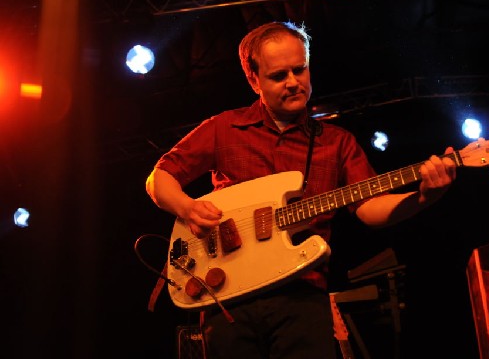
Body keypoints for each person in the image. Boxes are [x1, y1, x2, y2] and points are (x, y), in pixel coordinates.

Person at [145, 20, 457, 359]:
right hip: (229, 298)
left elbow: (370, 208)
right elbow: (159, 178)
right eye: (279, 76)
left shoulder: (338, 143)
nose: (293, 82)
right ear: (254, 80)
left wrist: (423, 197)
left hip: (302, 295)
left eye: (300, 70)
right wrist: (187, 208)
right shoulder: (224, 128)